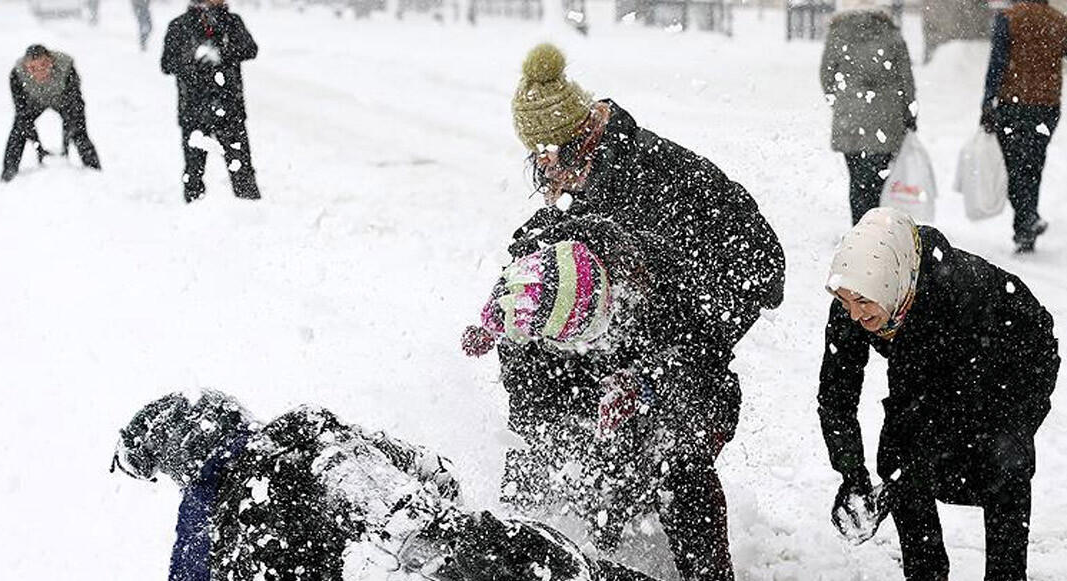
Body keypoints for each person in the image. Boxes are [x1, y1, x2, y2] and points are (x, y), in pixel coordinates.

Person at [496, 43, 784, 581]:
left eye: (546, 155)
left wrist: (681, 336)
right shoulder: (579, 184)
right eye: (533, 156)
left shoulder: (661, 176)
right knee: (536, 377)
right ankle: (529, 530)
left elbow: (765, 271)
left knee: (672, 450)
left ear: (578, 140)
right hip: (619, 345)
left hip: (688, 348)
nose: (541, 171)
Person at [111, 389, 661, 581]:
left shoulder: (210, 508)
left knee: (458, 549)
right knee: (478, 547)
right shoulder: (304, 426)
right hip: (378, 502)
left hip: (373, 531)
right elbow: (427, 467)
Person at [817, 208, 1060, 581]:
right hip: (938, 368)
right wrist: (851, 473)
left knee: (1002, 460)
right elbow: (836, 395)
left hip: (1014, 360)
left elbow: (945, 405)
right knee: (898, 457)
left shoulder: (956, 290)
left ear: (891, 284)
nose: (854, 316)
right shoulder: (859, 295)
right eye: (846, 303)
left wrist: (899, 479)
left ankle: (1007, 574)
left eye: (863, 304)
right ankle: (926, 573)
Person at [981, 0, 1067, 253]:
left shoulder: (1009, 18)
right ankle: (1026, 229)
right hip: (1046, 109)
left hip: (1012, 106)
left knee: (1015, 168)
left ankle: (1026, 220)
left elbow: (997, 63)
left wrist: (987, 102)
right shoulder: (1060, 22)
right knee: (1033, 165)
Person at [819, 0, 918, 225]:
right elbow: (906, 80)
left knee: (857, 180)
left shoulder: (838, 33)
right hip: (887, 117)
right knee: (876, 179)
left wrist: (841, 101)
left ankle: (859, 227)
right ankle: (873, 228)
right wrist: (910, 113)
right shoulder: (891, 34)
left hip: (850, 118)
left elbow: (826, 74)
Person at [161, 0, 261, 203]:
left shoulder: (231, 22)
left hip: (229, 108)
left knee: (241, 170)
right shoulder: (180, 25)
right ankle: (194, 217)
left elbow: (250, 49)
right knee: (193, 173)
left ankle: (252, 215)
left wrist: (222, 53)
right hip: (193, 110)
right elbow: (167, 64)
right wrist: (192, 59)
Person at [1, 44, 101, 183]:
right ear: (26, 67)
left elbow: (75, 106)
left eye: (43, 65)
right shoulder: (17, 75)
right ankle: (8, 176)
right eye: (33, 68)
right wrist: (39, 148)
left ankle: (95, 172)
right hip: (34, 101)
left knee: (78, 130)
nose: (39, 72)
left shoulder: (66, 68)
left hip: (62, 99)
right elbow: (22, 114)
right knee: (18, 131)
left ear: (51, 61)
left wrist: (65, 146)